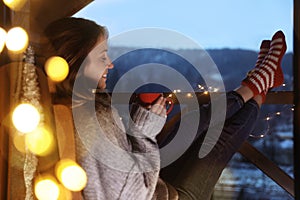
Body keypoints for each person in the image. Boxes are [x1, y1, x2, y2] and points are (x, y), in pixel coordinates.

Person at [43, 17, 286, 200]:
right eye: (101, 57)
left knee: (190, 121)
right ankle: (258, 85)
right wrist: (144, 132)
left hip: (152, 183)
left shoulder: (76, 105)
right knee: (215, 144)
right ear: (77, 63)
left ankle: (257, 82)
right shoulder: (95, 117)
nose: (110, 64)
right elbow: (132, 194)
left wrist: (142, 124)